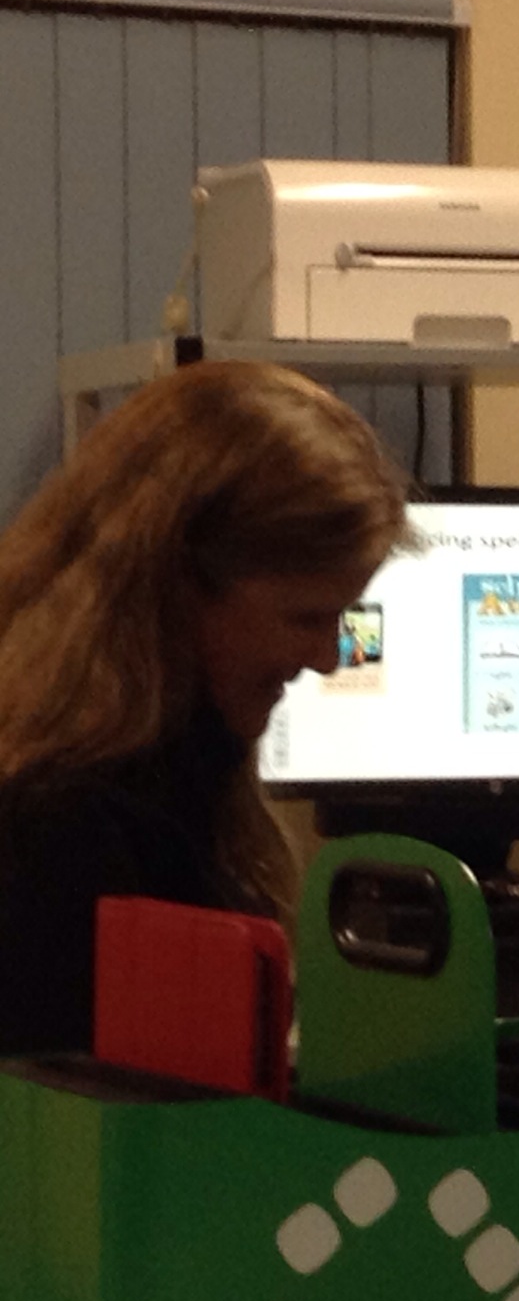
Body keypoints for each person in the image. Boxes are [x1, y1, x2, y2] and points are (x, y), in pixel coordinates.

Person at [0, 361, 413, 1055]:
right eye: (305, 618)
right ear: (177, 587)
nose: (327, 658)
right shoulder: (57, 839)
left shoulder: (172, 779)